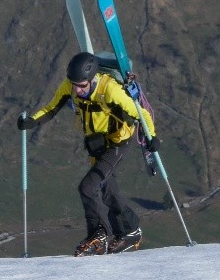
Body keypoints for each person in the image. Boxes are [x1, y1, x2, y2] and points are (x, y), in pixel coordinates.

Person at [18, 52, 160, 256]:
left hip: (118, 143)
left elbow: (142, 113)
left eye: (82, 85)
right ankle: (130, 232)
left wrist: (151, 136)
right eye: (74, 84)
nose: (77, 89)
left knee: (88, 187)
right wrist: (32, 121)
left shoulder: (110, 89)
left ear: (92, 78)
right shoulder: (70, 85)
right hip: (97, 145)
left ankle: (98, 235)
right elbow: (52, 108)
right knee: (107, 191)